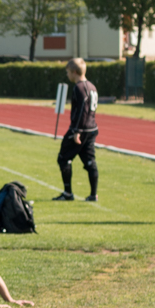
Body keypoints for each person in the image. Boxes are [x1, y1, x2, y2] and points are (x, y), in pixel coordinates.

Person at [53, 58, 100, 202]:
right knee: (89, 161)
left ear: (74, 72)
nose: (67, 75)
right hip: (92, 128)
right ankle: (93, 195)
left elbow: (82, 111)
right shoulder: (92, 86)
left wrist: (77, 131)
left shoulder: (79, 88)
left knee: (63, 158)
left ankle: (68, 193)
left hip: (80, 129)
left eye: (68, 72)